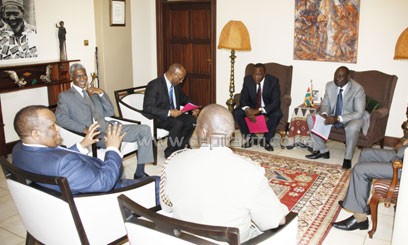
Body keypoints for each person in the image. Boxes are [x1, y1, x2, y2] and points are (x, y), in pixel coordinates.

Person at [160, 104, 288, 243]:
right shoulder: (249, 171)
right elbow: (275, 220)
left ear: (202, 132)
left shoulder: (173, 161)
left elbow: (166, 207)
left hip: (183, 240)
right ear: (232, 135)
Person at [12, 105, 156, 194]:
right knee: (159, 183)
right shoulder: (64, 164)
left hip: (84, 181)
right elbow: (104, 184)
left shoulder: (18, 151)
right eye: (52, 126)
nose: (58, 129)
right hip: (108, 193)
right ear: (36, 134)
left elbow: (57, 157)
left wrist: (82, 144)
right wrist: (112, 148)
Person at [55, 63, 154, 179]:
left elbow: (110, 112)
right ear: (72, 77)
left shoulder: (92, 93)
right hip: (94, 134)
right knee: (116, 142)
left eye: (84, 75)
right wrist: (83, 129)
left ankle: (140, 172)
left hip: (108, 127)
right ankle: (117, 178)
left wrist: (101, 93)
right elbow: (60, 118)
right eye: (78, 76)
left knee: (144, 129)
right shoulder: (65, 96)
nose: (83, 79)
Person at [332, 139, 408, 231]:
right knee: (366, 153)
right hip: (402, 154)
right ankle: (360, 203)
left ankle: (360, 219)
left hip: (404, 166)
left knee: (360, 170)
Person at [305, 66, 368, 169]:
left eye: (340, 76)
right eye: (335, 76)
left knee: (353, 127)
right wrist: (325, 114)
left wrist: (338, 118)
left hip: (351, 117)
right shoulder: (330, 86)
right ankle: (322, 151)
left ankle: (348, 158)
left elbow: (359, 112)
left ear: (348, 77)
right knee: (310, 118)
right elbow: (325, 104)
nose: (337, 79)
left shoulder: (358, 89)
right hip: (333, 115)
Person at [143, 63, 199, 158]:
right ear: (173, 74)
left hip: (175, 114)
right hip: (159, 117)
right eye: (180, 78)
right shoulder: (154, 85)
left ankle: (180, 147)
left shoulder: (175, 84)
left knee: (192, 120)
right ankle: (170, 153)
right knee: (177, 123)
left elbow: (183, 98)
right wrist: (169, 112)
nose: (181, 81)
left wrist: (193, 107)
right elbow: (148, 107)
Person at [233, 63, 282, 151]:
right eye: (254, 74)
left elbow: (276, 102)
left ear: (264, 74)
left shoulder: (273, 81)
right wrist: (247, 110)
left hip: (266, 107)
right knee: (237, 112)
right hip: (252, 107)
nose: (256, 77)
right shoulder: (248, 80)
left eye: (259, 75)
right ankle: (251, 138)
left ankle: (266, 140)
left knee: (277, 114)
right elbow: (243, 98)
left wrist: (259, 110)